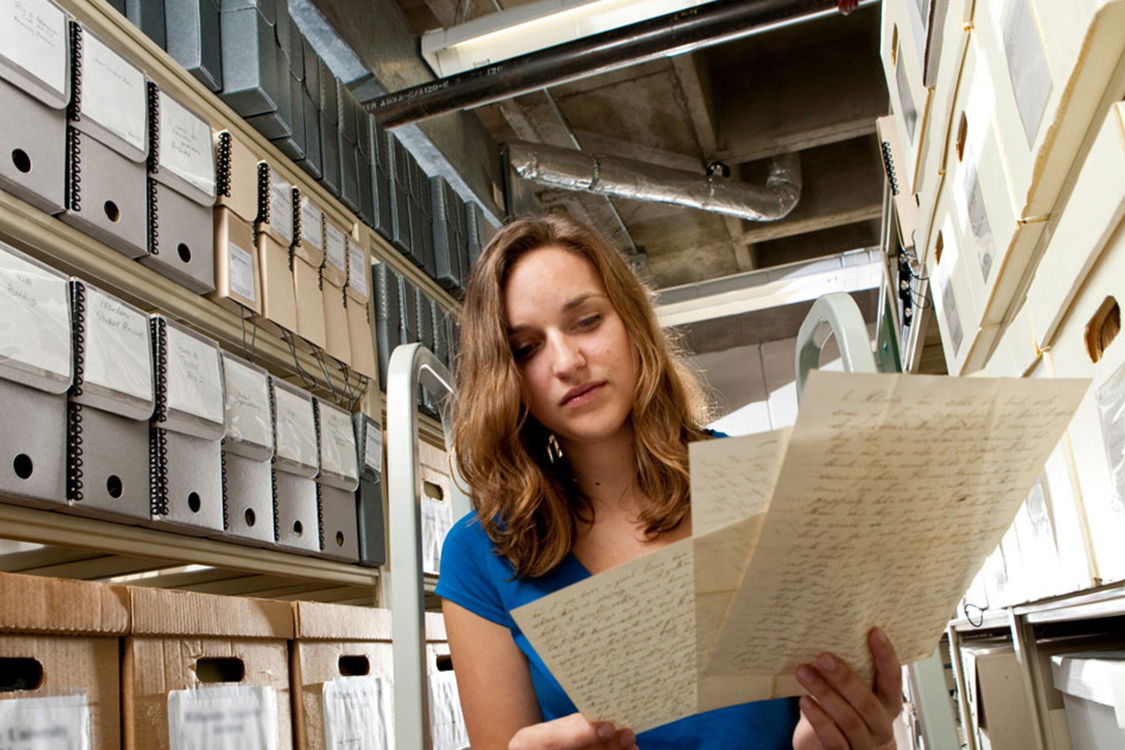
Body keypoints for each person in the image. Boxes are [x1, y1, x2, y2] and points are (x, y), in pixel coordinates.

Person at [436, 212, 903, 750]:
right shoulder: (481, 554)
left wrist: (855, 740)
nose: (567, 361)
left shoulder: (765, 488)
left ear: (632, 324)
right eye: (526, 348)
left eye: (586, 321)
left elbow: (837, 702)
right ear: (506, 379)